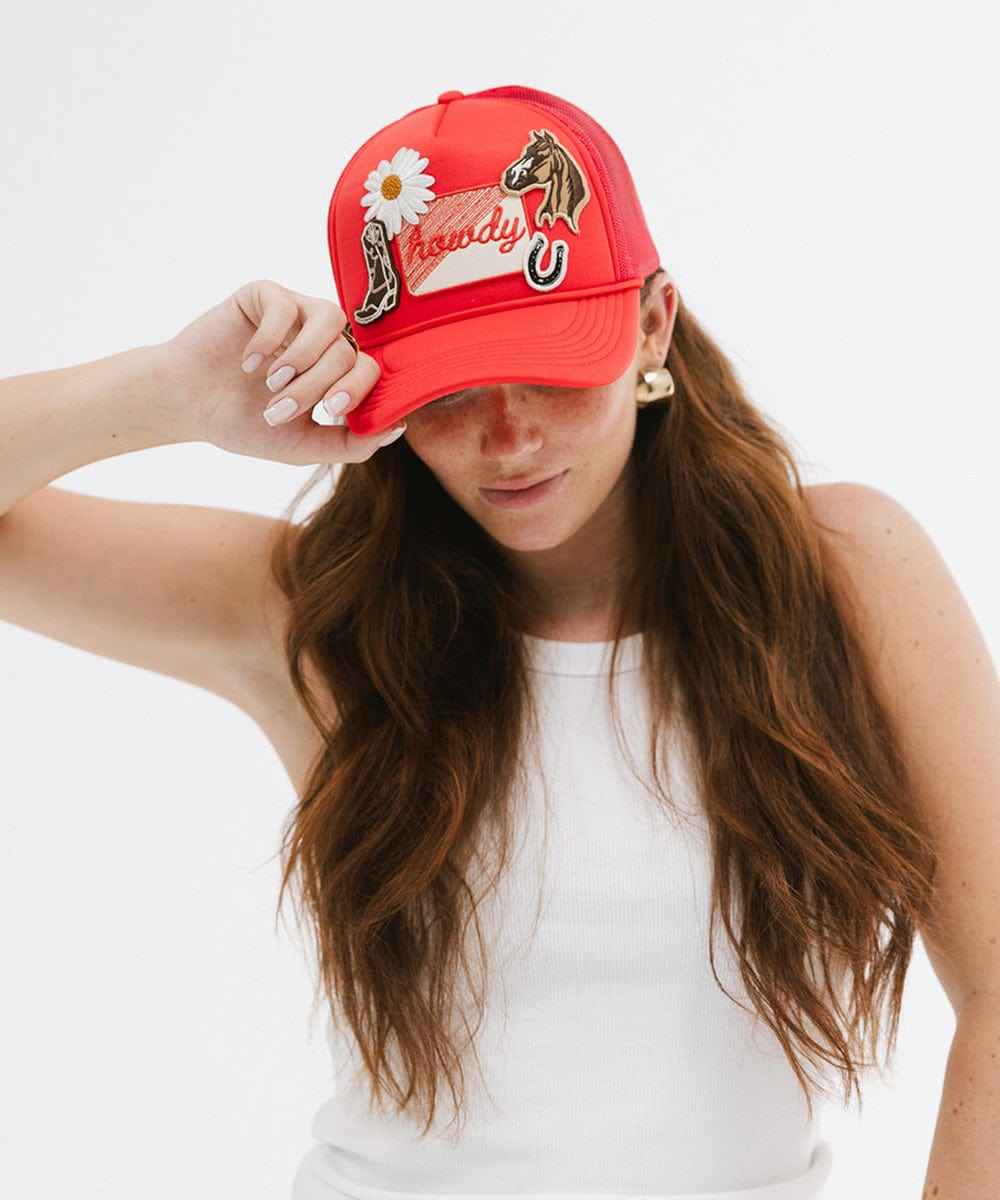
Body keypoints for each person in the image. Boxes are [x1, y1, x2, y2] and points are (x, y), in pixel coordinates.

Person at [1, 84, 996, 1200]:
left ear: (652, 323)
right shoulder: (316, 617)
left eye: (550, 366)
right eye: (447, 389)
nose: (506, 437)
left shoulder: (843, 572)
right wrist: (171, 395)